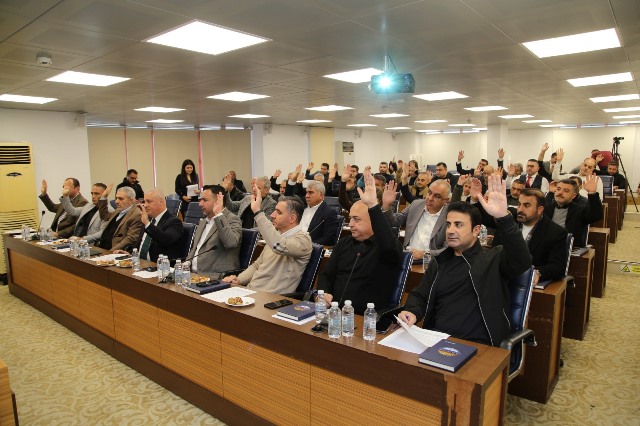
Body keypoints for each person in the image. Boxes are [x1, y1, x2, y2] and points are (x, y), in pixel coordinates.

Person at [399, 176, 532, 347]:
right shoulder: (440, 261)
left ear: (476, 230)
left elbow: (522, 260)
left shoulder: (493, 259)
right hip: (436, 340)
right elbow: (420, 295)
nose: (451, 230)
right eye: (448, 225)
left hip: (478, 345)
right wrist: (412, 311)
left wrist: (503, 218)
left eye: (459, 225)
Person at [317, 171, 403, 314]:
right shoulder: (344, 243)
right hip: (333, 313)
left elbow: (388, 245)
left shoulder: (385, 247)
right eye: (350, 218)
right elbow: (326, 275)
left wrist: (373, 206)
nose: (350, 224)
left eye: (356, 219)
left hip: (365, 318)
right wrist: (324, 293)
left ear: (373, 221)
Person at [222, 192, 312, 294]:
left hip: (272, 297)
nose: (272, 215)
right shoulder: (276, 235)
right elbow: (257, 265)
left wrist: (258, 212)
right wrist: (239, 280)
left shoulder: (303, 240)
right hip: (251, 291)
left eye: (278, 212)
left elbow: (279, 246)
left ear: (292, 218)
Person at [493, 188, 568, 285]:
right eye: (519, 204)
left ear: (539, 210)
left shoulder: (556, 232)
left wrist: (538, 272)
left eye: (526, 205)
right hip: (502, 278)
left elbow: (558, 267)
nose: (520, 209)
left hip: (529, 282)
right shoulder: (508, 224)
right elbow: (494, 252)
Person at [186, 185, 242, 279]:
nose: (200, 204)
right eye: (200, 200)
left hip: (215, 276)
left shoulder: (232, 219)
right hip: (193, 274)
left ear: (217, 201)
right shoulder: (203, 222)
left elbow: (231, 243)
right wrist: (187, 262)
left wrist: (218, 215)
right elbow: (195, 248)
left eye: (204, 200)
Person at [114, 188, 183, 263]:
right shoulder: (148, 219)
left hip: (158, 265)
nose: (145, 205)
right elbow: (140, 244)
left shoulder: (174, 222)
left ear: (161, 202)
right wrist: (129, 254)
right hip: (139, 263)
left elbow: (166, 240)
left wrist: (147, 224)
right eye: (144, 201)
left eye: (149, 201)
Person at [387, 179, 451, 259]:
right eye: (429, 192)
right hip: (407, 257)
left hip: (432, 262)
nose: (430, 198)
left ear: (446, 200)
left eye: (437, 196)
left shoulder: (450, 216)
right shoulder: (416, 204)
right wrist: (387, 206)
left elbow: (448, 249)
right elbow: (395, 221)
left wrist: (425, 255)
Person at [545, 176, 603, 248]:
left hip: (570, 248)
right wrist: (550, 193)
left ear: (573, 196)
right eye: (558, 189)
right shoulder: (547, 207)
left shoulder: (580, 210)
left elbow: (596, 216)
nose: (560, 192)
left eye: (566, 191)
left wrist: (592, 193)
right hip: (546, 245)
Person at [95, 185, 143, 251]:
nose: (116, 201)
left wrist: (110, 252)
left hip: (114, 251)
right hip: (102, 247)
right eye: (116, 198)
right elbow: (104, 216)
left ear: (131, 200)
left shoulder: (137, 214)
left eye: (121, 199)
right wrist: (104, 197)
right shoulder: (118, 210)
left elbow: (130, 239)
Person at [300, 181, 340, 246]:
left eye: (311, 193)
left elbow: (328, 239)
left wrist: (308, 245)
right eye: (306, 192)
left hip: (310, 247)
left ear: (321, 195)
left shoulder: (329, 213)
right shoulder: (301, 208)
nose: (306, 196)